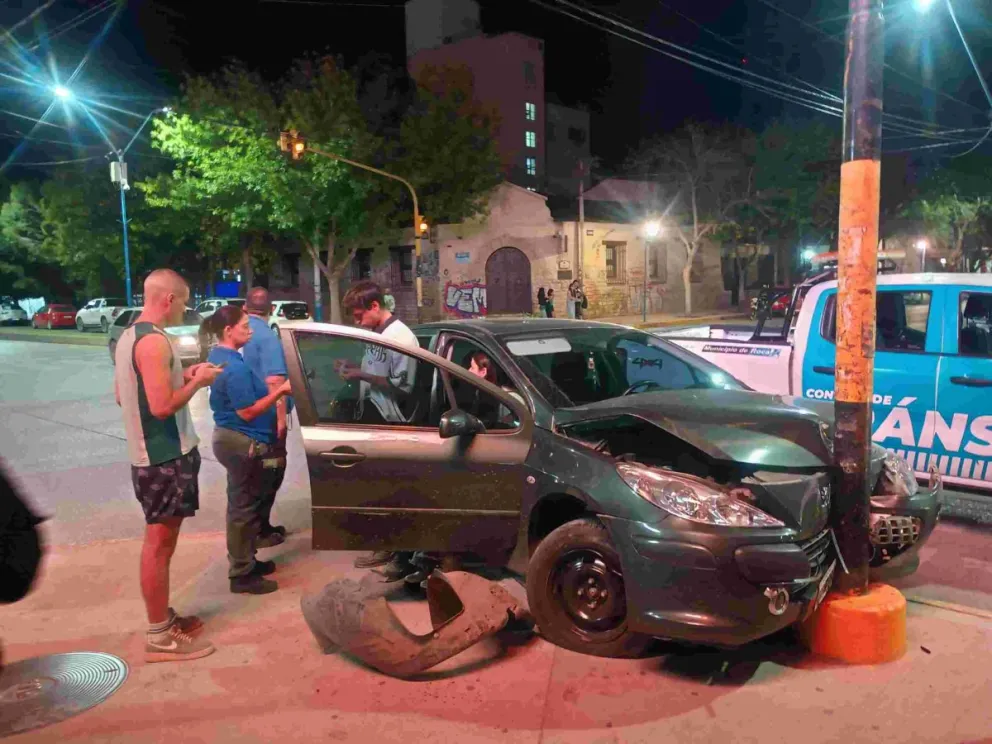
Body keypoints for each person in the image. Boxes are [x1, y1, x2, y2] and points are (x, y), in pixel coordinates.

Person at [114, 268, 222, 663]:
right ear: (168, 300)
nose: (185, 310)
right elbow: (160, 407)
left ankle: (163, 616)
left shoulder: (129, 337)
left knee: (163, 543)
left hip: (154, 457)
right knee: (159, 546)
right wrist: (198, 382)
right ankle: (159, 634)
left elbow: (125, 397)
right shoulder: (154, 342)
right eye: (184, 301)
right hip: (163, 459)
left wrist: (184, 375)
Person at [203, 306, 293, 595]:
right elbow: (247, 412)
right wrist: (279, 392)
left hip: (233, 439)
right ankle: (241, 573)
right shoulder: (235, 368)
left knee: (245, 504)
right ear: (228, 331)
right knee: (243, 509)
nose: (250, 330)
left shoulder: (222, 357)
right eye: (244, 326)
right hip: (240, 440)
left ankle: (247, 561)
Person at [340, 280, 421, 574]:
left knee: (395, 492)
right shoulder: (377, 333)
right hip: (374, 418)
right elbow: (376, 372)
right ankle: (388, 547)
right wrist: (354, 370)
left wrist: (362, 373)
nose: (356, 320)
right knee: (380, 490)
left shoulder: (401, 337)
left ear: (375, 306)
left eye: (359, 314)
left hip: (394, 424)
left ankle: (400, 557)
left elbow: (405, 388)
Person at [241, 287, 292, 549]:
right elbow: (276, 382)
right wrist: (281, 424)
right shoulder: (267, 337)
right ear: (271, 309)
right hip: (266, 418)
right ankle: (259, 530)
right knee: (271, 471)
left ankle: (258, 528)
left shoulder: (235, 333)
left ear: (245, 308)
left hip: (242, 418)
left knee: (250, 479)